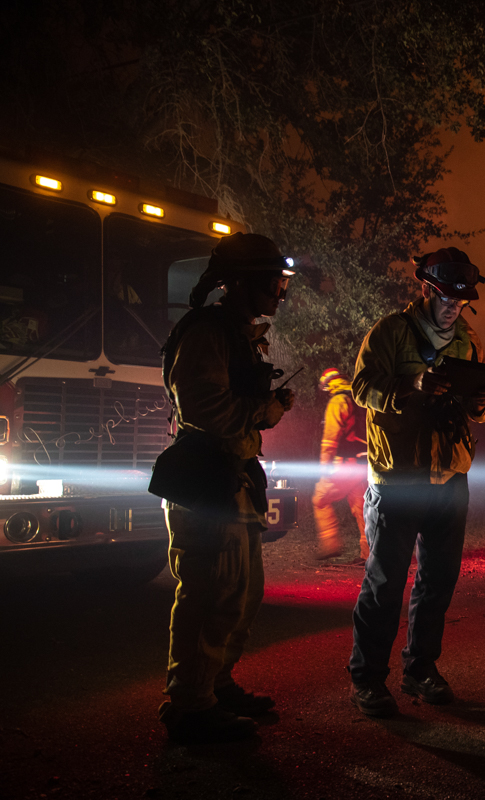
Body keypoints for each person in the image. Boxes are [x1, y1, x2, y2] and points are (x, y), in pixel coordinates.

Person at [154, 232, 296, 743]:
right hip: (205, 478)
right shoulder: (208, 333)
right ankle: (191, 707)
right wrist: (267, 411)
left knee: (241, 593)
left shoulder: (234, 333)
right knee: (211, 592)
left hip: (230, 478)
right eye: (274, 281)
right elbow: (204, 410)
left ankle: (213, 685)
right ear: (243, 281)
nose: (280, 291)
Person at [346, 247, 485, 718]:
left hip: (451, 479)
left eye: (462, 299)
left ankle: (421, 670)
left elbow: (484, 414)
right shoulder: (390, 333)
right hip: (397, 480)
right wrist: (410, 389)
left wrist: (484, 400)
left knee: (437, 582)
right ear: (426, 290)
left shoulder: (469, 342)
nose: (454, 305)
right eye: (447, 296)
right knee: (385, 583)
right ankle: (368, 679)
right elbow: (362, 389)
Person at [312, 367, 369, 563]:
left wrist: (324, 470)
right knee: (362, 509)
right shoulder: (360, 400)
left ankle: (331, 545)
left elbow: (330, 440)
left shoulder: (338, 401)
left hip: (342, 466)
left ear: (330, 384)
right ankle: (368, 554)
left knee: (320, 500)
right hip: (363, 465)